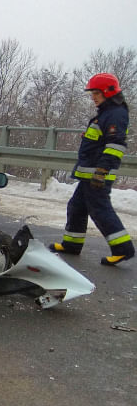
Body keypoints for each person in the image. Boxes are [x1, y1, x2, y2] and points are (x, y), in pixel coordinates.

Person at [49, 73, 134, 265]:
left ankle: (123, 249)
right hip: (90, 172)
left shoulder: (115, 113)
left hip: (98, 174)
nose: (93, 97)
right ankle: (72, 244)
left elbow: (116, 145)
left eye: (97, 92)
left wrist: (102, 171)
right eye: (92, 93)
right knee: (77, 207)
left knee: (100, 210)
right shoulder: (106, 112)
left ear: (108, 92)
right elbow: (102, 138)